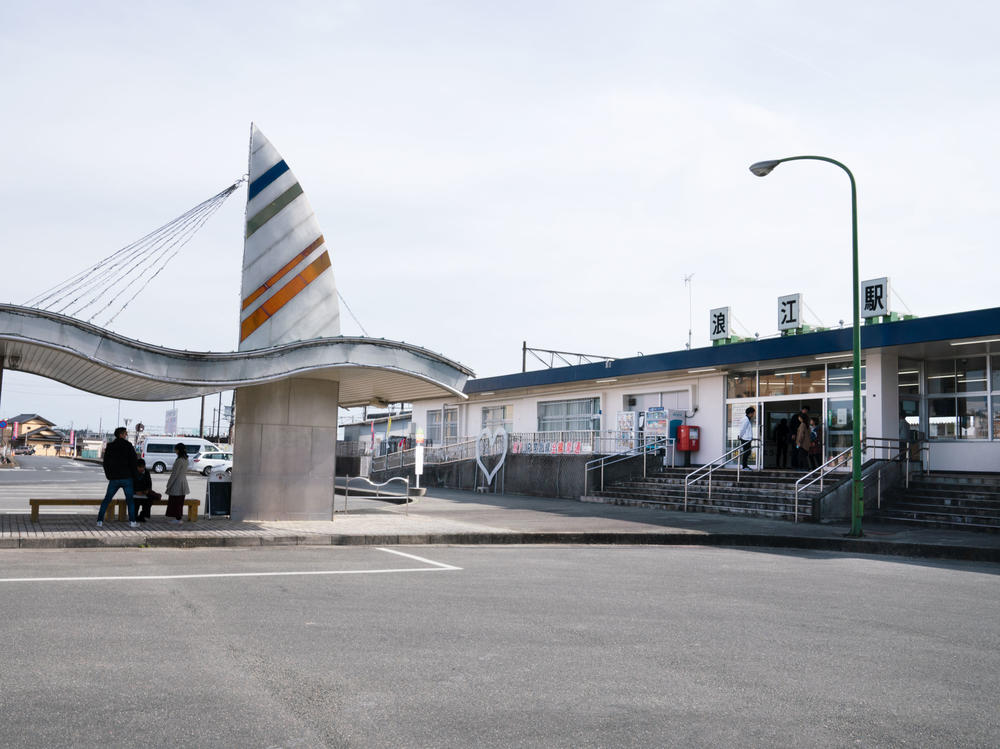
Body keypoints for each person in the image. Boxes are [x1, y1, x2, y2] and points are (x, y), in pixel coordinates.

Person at [99, 427, 139, 528]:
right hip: (127, 477)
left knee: (107, 499)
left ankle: (99, 521)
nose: (126, 435)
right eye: (125, 433)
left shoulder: (111, 446)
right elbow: (134, 462)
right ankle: (132, 522)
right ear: (121, 434)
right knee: (130, 500)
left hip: (114, 478)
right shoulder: (128, 445)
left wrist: (109, 475)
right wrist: (135, 476)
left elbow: (106, 462)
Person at [164, 443, 190, 523]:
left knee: (175, 502)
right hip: (183, 482)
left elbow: (174, 474)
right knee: (180, 502)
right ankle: (178, 518)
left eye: (176, 449)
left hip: (177, 484)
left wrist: (168, 484)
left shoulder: (179, 460)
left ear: (178, 450)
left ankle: (178, 519)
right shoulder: (186, 459)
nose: (175, 451)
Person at [738, 406, 755, 470]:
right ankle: (744, 466)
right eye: (753, 413)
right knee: (747, 452)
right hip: (745, 439)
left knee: (747, 452)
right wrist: (740, 436)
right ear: (750, 413)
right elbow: (743, 429)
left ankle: (745, 465)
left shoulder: (747, 419)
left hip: (747, 438)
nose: (753, 415)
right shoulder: (745, 420)